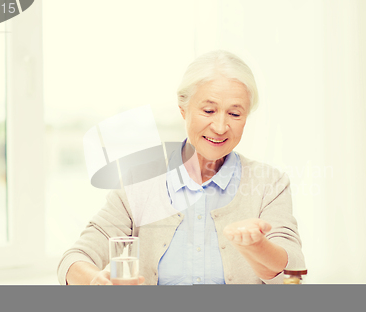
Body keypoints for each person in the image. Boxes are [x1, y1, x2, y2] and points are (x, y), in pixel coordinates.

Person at [57, 50, 306, 285]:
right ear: (183, 109)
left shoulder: (269, 183)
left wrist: (255, 246)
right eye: (208, 110)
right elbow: (76, 257)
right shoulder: (141, 179)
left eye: (235, 114)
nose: (220, 127)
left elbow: (293, 269)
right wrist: (94, 281)